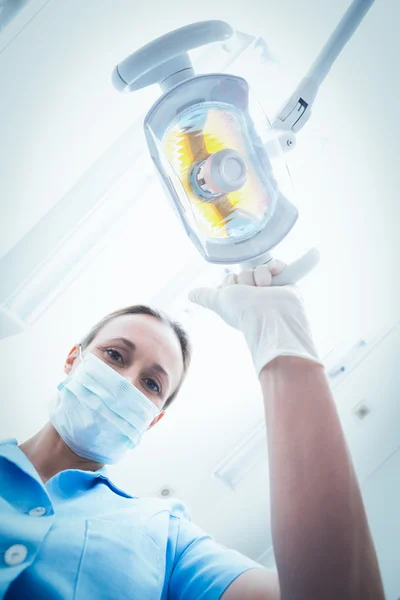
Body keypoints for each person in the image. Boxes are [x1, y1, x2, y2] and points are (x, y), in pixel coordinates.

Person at [0, 261, 384, 600]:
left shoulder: (168, 538)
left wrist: (281, 339)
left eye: (152, 384)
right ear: (74, 359)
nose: (127, 383)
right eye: (115, 355)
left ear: (153, 419)